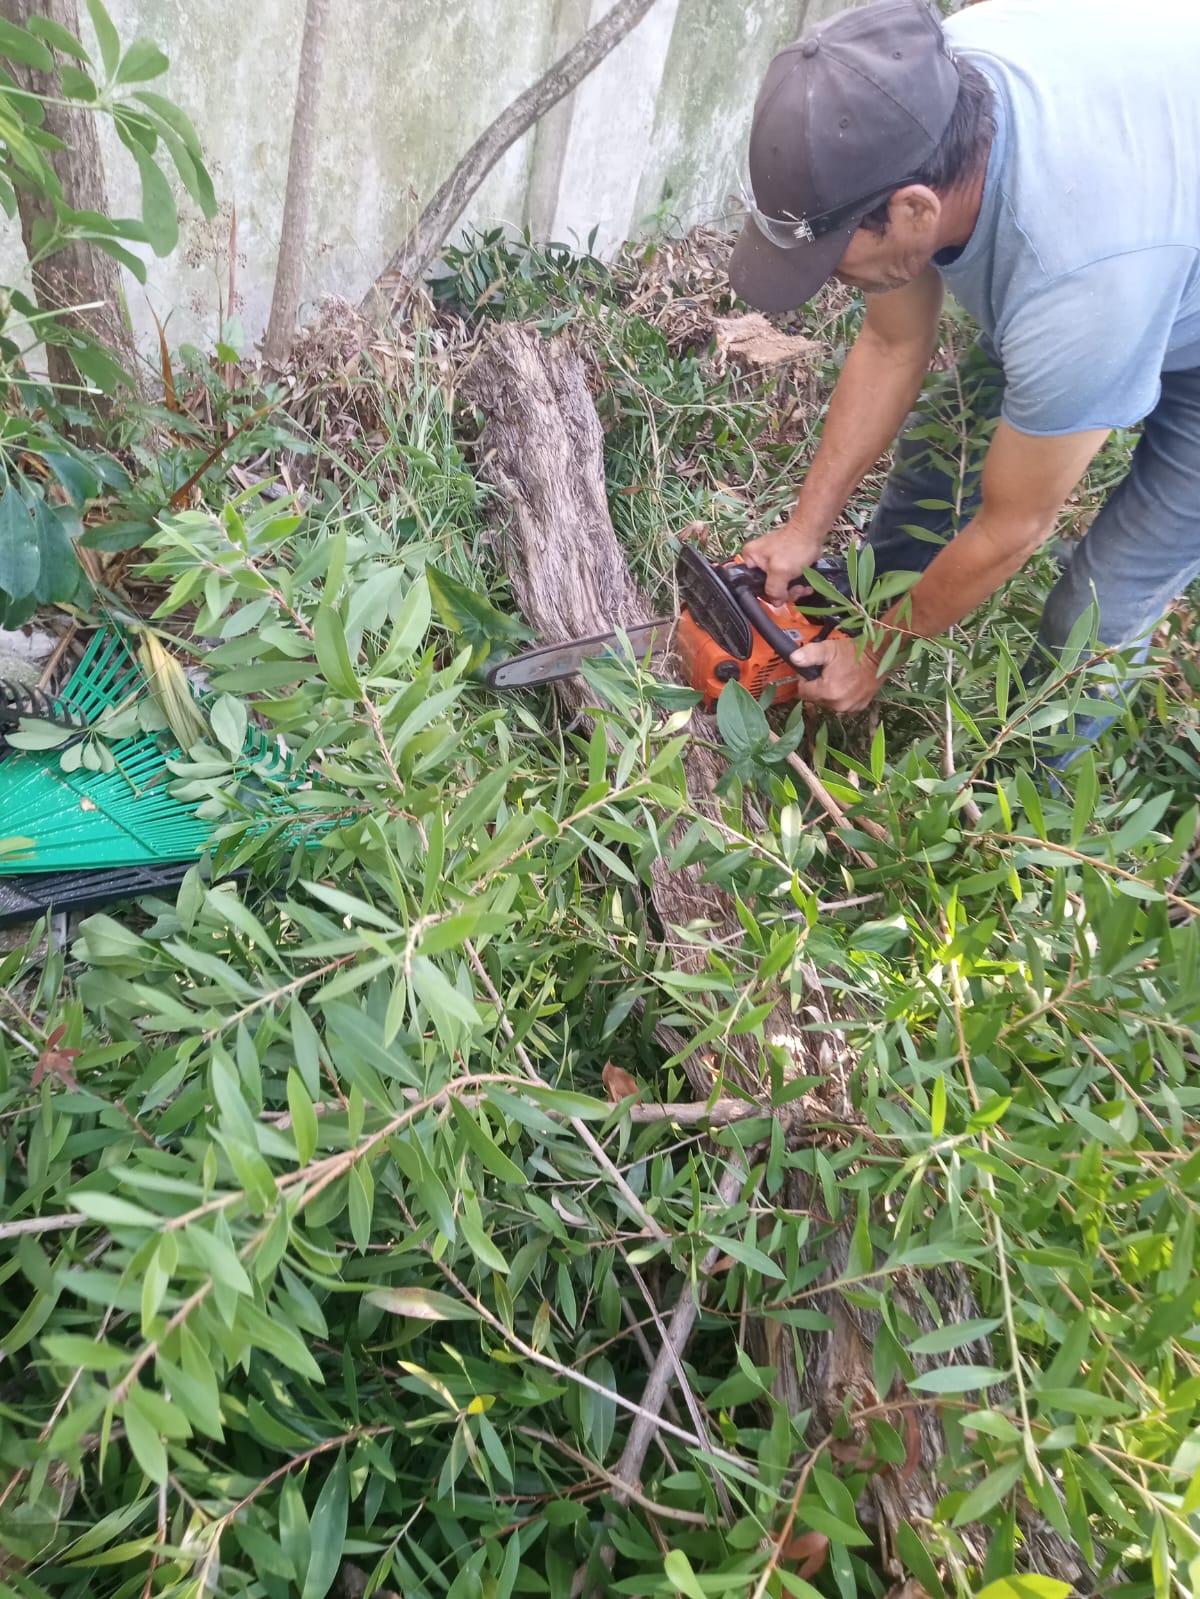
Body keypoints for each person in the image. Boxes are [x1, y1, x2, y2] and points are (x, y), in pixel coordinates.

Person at [733, 0, 1200, 757]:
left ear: (915, 210)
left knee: (1095, 607)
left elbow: (1014, 525)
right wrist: (804, 529)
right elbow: (892, 343)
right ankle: (848, 625)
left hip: (1135, 267)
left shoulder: (1075, 287)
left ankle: (1038, 809)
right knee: (940, 456)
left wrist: (883, 653)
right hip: (1141, 214)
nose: (832, 282)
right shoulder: (918, 98)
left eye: (833, 259)